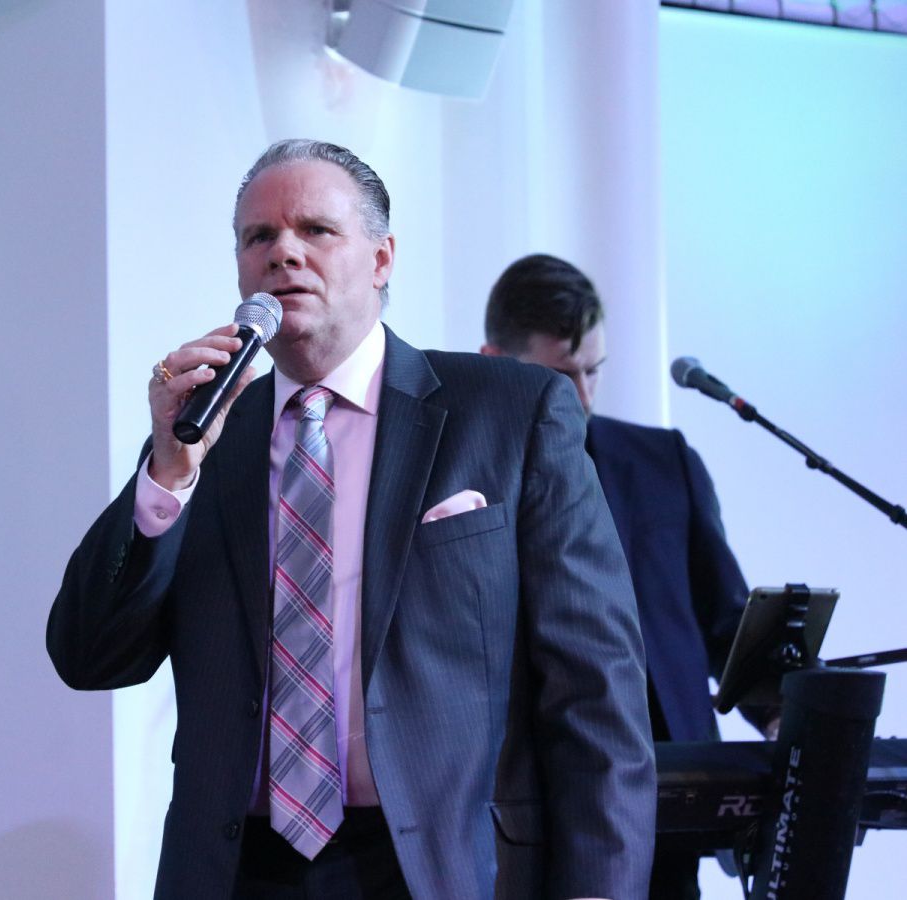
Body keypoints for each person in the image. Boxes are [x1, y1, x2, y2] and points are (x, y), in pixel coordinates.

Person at [48, 141, 655, 899]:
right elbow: (90, 657)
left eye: (316, 230)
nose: (283, 253)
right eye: (259, 237)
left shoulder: (508, 411)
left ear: (381, 258)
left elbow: (594, 681)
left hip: (438, 869)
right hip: (240, 873)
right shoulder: (205, 441)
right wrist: (167, 474)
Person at [481, 253, 759, 899]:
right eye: (560, 376)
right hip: (526, 803)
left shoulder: (664, 461)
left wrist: (778, 712)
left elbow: (725, 619)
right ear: (493, 363)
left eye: (594, 370)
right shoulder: (467, 475)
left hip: (672, 793)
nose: (582, 397)